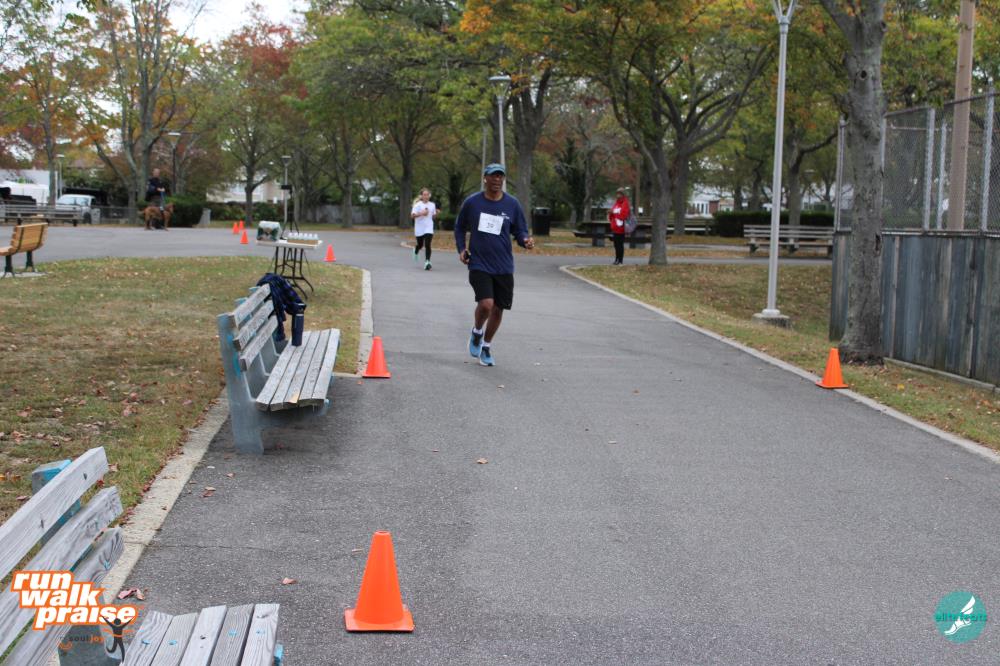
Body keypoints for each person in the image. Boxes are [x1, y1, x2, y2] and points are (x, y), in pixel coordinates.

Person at [454, 163, 534, 367]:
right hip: (479, 263)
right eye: (493, 176)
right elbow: (459, 227)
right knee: (486, 304)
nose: (497, 180)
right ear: (485, 178)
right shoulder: (473, 203)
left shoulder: (512, 204)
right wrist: (462, 249)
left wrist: (525, 240)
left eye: (500, 176)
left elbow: (520, 230)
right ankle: (477, 331)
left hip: (504, 266)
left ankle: (486, 346)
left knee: (498, 309)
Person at [410, 188, 437, 270]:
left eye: (427, 195)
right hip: (419, 228)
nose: (426, 196)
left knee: (428, 244)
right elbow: (412, 216)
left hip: (429, 227)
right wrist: (421, 213)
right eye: (424, 195)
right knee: (420, 245)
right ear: (421, 196)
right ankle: (416, 249)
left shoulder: (432, 205)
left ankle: (427, 262)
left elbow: (433, 216)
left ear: (429, 196)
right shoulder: (417, 205)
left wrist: (435, 215)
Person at [608, 186, 631, 265]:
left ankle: (620, 260)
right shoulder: (616, 203)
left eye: (619, 194)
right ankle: (616, 259)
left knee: (620, 245)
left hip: (621, 228)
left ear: (623, 195)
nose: (618, 195)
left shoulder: (625, 203)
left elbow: (623, 216)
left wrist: (614, 213)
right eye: (617, 193)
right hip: (615, 227)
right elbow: (612, 215)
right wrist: (610, 213)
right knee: (616, 245)